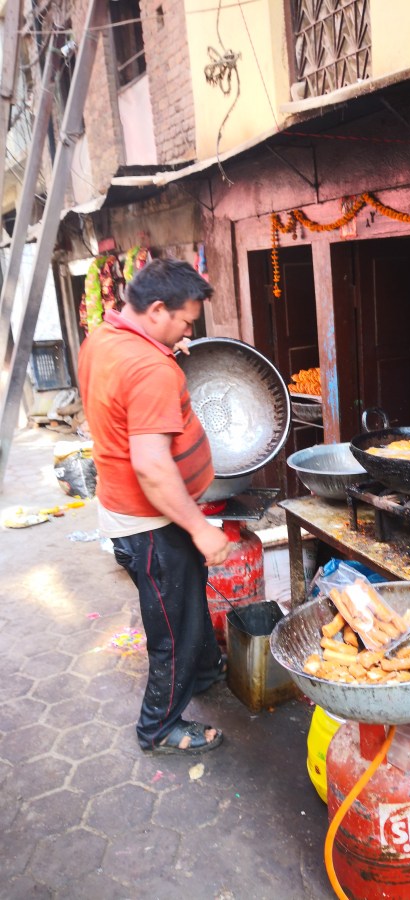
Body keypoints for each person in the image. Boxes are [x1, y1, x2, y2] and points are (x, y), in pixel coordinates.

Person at [78, 258, 232, 756]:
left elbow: (126, 395)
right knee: (173, 628)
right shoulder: (149, 369)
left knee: (187, 602)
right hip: (151, 521)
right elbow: (151, 466)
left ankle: (204, 672)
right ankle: (159, 727)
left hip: (128, 509)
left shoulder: (105, 338)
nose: (189, 332)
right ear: (158, 309)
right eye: (186, 322)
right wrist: (200, 528)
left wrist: (166, 349)